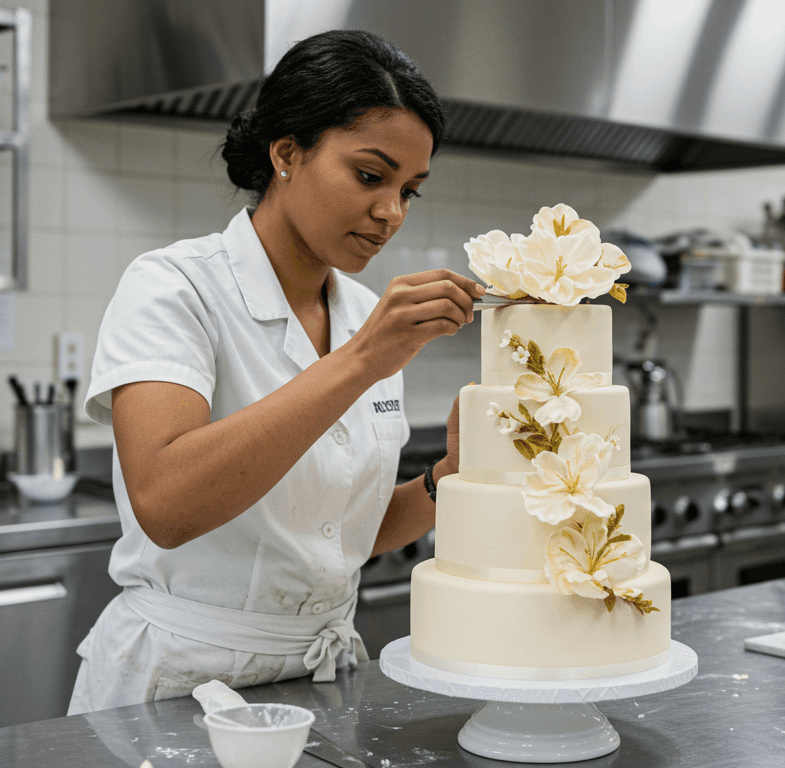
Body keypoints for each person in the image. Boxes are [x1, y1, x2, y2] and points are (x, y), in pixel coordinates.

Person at [67, 29, 484, 715]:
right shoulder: (175, 288)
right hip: (179, 685)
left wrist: (448, 479)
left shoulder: (361, 317)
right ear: (287, 153)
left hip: (321, 681)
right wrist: (362, 362)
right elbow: (167, 506)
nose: (391, 213)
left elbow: (330, 536)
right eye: (370, 176)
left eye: (411, 190)